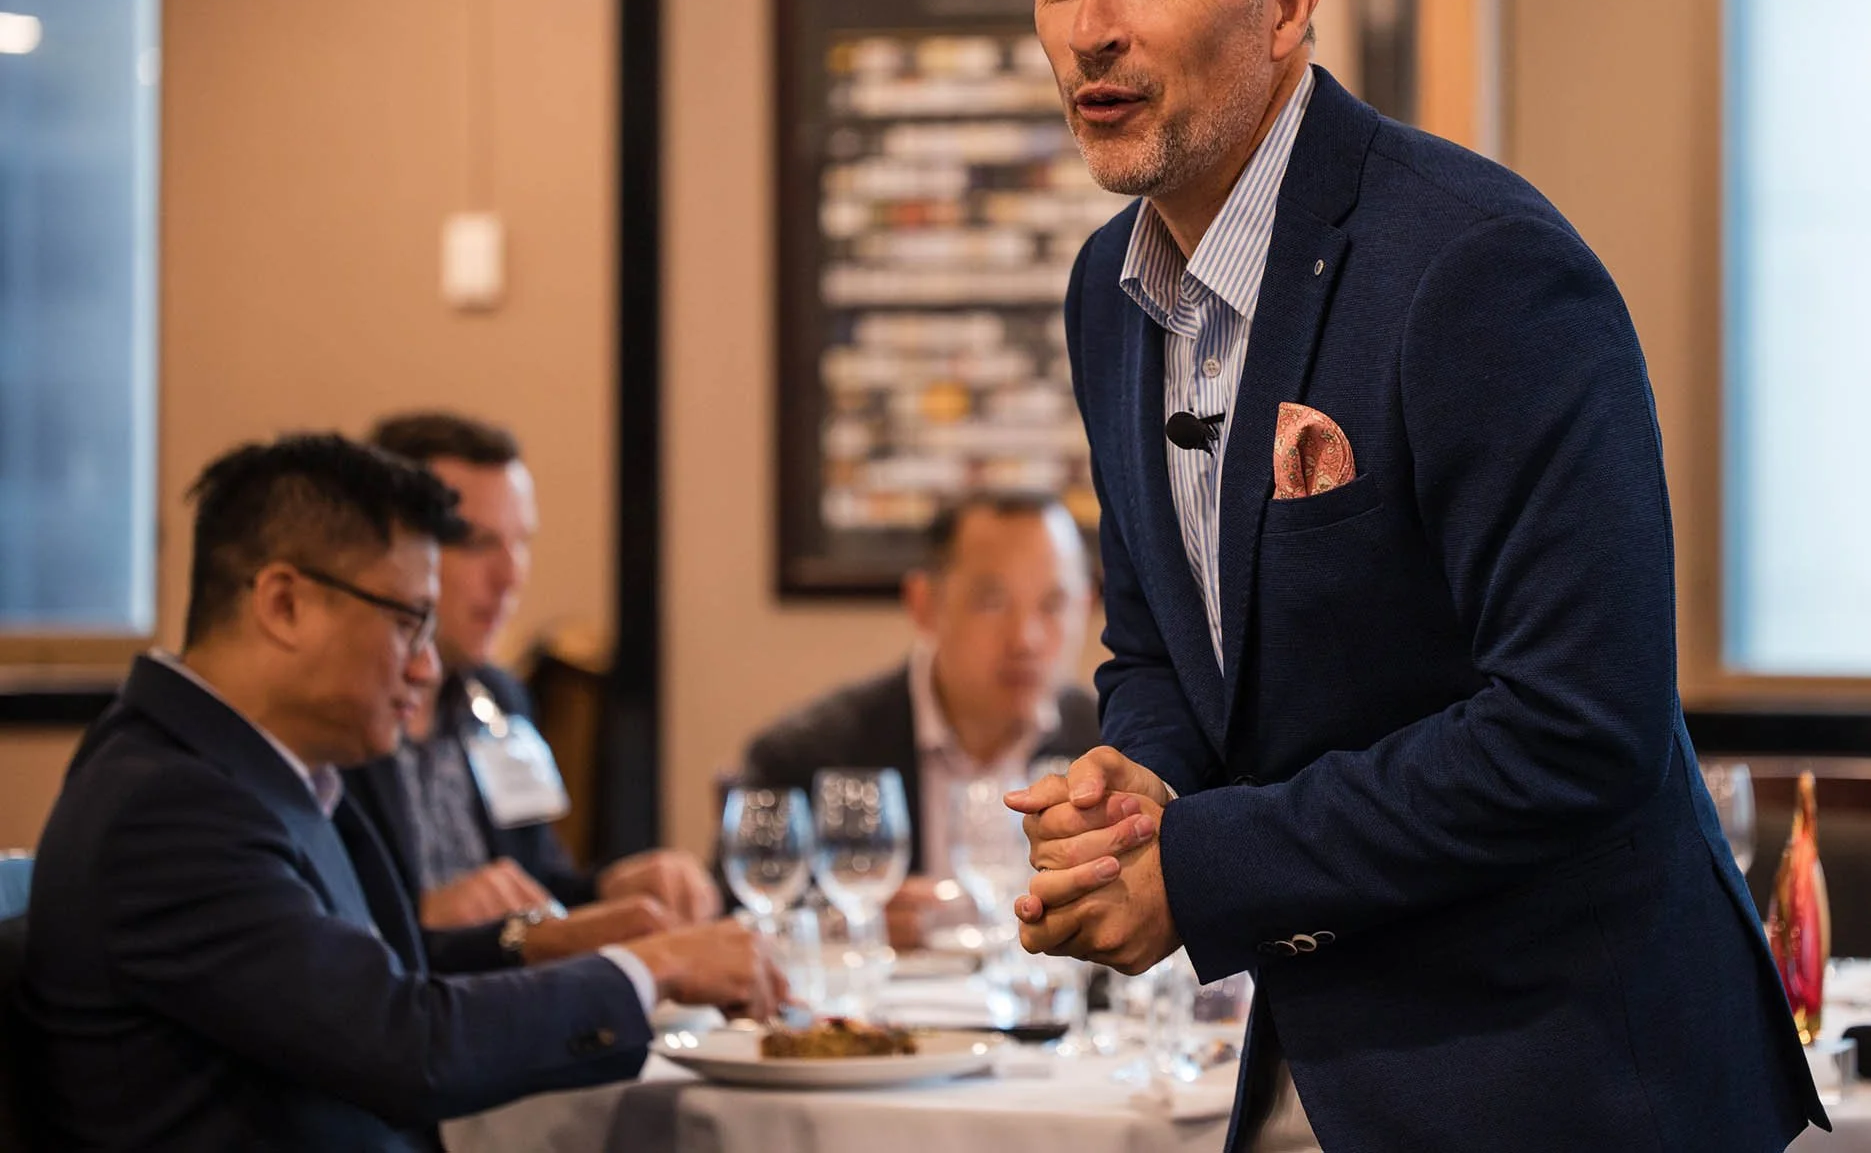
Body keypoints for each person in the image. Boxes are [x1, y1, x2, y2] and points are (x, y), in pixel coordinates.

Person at [1003, 0, 1826, 1153]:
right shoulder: (1107, 287)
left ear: (1286, 0)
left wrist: (1198, 864)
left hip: (1569, 1074)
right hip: (1314, 1062)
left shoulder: (1475, 265)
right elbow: (1162, 651)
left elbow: (1579, 725)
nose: (1089, 27)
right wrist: (1134, 781)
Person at [20, 435, 781, 1151]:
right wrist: (655, 968)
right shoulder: (167, 807)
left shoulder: (262, 769)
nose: (424, 669)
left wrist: (535, 939)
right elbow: (407, 1044)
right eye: (407, 623)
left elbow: (371, 971)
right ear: (283, 603)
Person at [344, 411, 716, 930]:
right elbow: (310, 935)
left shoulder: (497, 699)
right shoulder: (333, 715)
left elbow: (534, 891)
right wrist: (418, 918)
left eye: (520, 542)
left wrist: (612, 888)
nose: (510, 575)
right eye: (476, 543)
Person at [739, 493, 1099, 946]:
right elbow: (735, 926)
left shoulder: (1110, 746)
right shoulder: (808, 756)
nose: (1025, 638)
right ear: (924, 603)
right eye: (992, 601)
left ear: (1086, 607)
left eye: (1053, 603)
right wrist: (847, 926)